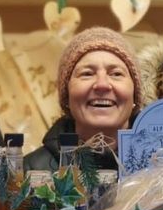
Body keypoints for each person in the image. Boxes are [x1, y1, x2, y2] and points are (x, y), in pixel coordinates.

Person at [24, 27, 144, 171]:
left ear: (134, 93)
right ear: (66, 95)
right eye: (87, 73)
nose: (102, 84)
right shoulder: (28, 171)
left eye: (116, 74)